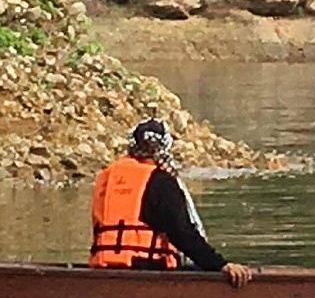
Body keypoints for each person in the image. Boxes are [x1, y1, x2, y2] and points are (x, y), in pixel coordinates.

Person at [89, 118, 252, 287]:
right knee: (201, 269)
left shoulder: (107, 176)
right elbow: (183, 234)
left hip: (105, 269)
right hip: (146, 270)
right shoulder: (161, 181)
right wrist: (220, 265)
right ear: (163, 149)